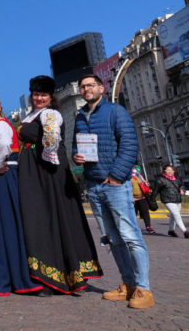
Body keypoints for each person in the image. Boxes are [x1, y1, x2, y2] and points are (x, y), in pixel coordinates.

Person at [73, 74, 154, 309]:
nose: (86, 89)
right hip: (93, 184)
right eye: (82, 86)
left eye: (90, 85)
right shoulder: (79, 116)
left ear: (101, 88)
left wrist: (117, 176)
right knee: (113, 239)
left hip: (115, 184)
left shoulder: (116, 111)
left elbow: (129, 144)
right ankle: (128, 284)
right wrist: (76, 156)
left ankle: (144, 289)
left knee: (130, 236)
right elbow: (75, 146)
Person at [17, 76, 102, 295]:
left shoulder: (50, 113)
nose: (39, 98)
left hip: (47, 172)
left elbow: (52, 137)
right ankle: (49, 275)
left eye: (43, 95)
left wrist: (49, 156)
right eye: (36, 94)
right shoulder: (32, 114)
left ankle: (60, 276)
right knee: (42, 219)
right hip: (36, 170)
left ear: (50, 96)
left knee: (51, 218)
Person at [0, 94, 41, 296]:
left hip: (4, 176)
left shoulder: (1, 126)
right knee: (5, 224)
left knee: (5, 224)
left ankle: (10, 277)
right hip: (3, 176)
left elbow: (5, 146)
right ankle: (11, 275)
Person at [152, 165, 187, 238]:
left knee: (173, 216)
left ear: (174, 171)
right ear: (164, 171)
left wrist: (182, 190)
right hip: (167, 200)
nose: (170, 171)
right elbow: (155, 190)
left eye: (172, 170)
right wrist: (152, 199)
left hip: (177, 199)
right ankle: (185, 231)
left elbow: (182, 186)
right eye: (168, 170)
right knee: (176, 214)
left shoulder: (177, 178)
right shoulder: (160, 180)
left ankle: (171, 230)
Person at [131, 167, 156, 234]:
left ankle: (148, 227)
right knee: (133, 214)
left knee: (145, 212)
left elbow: (145, 183)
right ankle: (133, 228)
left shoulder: (138, 174)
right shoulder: (126, 175)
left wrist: (146, 184)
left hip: (142, 197)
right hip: (132, 198)